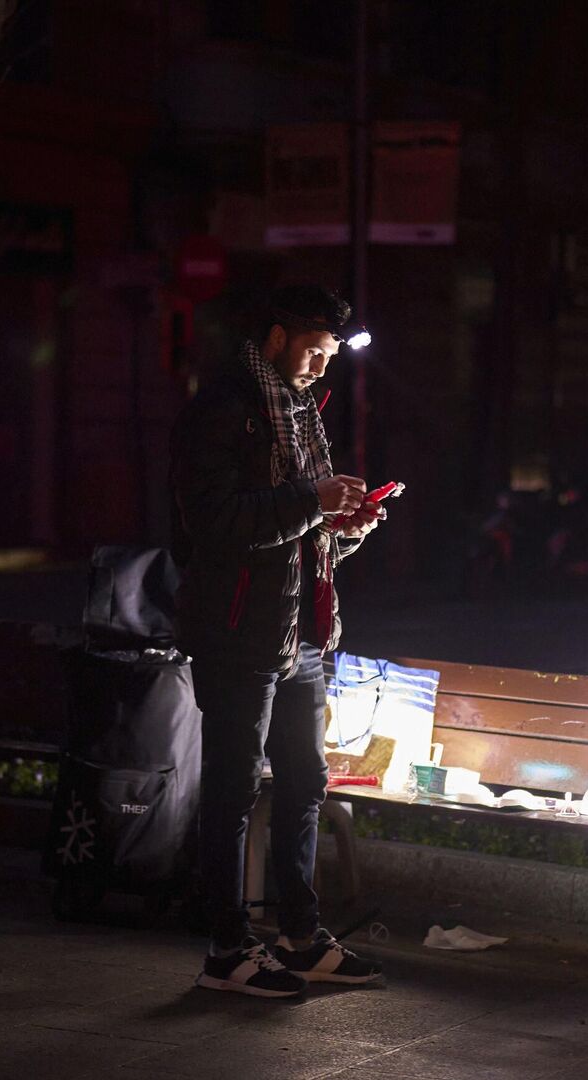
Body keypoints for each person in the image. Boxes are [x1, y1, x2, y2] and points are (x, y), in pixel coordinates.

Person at [171, 284, 388, 998]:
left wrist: (343, 529)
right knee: (232, 791)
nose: (323, 367)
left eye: (332, 354)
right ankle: (226, 950)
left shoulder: (301, 411)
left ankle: (300, 933)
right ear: (275, 337)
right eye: (315, 350)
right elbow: (217, 523)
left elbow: (298, 538)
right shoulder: (225, 407)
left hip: (302, 633)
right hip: (238, 632)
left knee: (304, 783)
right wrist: (312, 505)